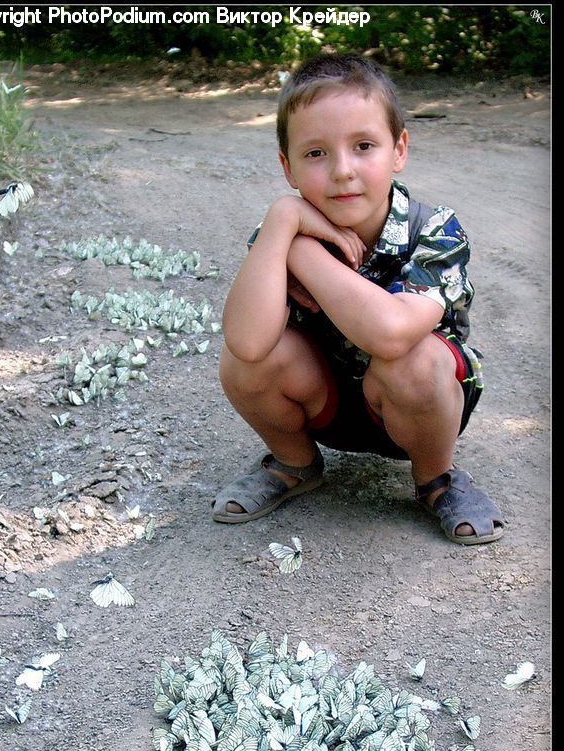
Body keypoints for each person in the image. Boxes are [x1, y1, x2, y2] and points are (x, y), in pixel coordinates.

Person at [212, 52, 503, 545]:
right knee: (246, 363)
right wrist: (285, 221)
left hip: (415, 407)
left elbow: (390, 334)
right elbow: (245, 341)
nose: (343, 170)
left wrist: (302, 255)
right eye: (316, 153)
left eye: (364, 145)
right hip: (325, 401)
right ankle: (296, 464)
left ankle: (437, 480)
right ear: (288, 167)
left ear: (398, 149)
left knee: (417, 359)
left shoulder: (434, 230)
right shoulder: (280, 231)